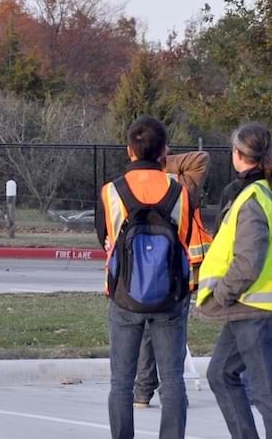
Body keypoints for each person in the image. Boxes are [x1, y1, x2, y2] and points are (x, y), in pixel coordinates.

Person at [197, 122, 272, 439]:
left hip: (255, 306)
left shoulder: (254, 196)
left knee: (266, 393)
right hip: (264, 304)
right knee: (220, 373)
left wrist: (222, 294)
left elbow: (248, 261)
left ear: (237, 154)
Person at [96, 115, 192, 439]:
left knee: (121, 382)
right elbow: (185, 236)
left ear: (129, 150)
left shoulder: (111, 191)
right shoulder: (179, 191)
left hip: (124, 293)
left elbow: (105, 238)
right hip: (170, 295)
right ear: (164, 150)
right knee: (173, 380)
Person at [133, 147, 211, 408]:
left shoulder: (134, 185)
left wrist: (155, 161)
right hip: (179, 269)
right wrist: (164, 160)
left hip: (145, 271)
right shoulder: (181, 187)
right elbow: (201, 159)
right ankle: (171, 392)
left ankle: (143, 392)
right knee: (174, 332)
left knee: (146, 332)